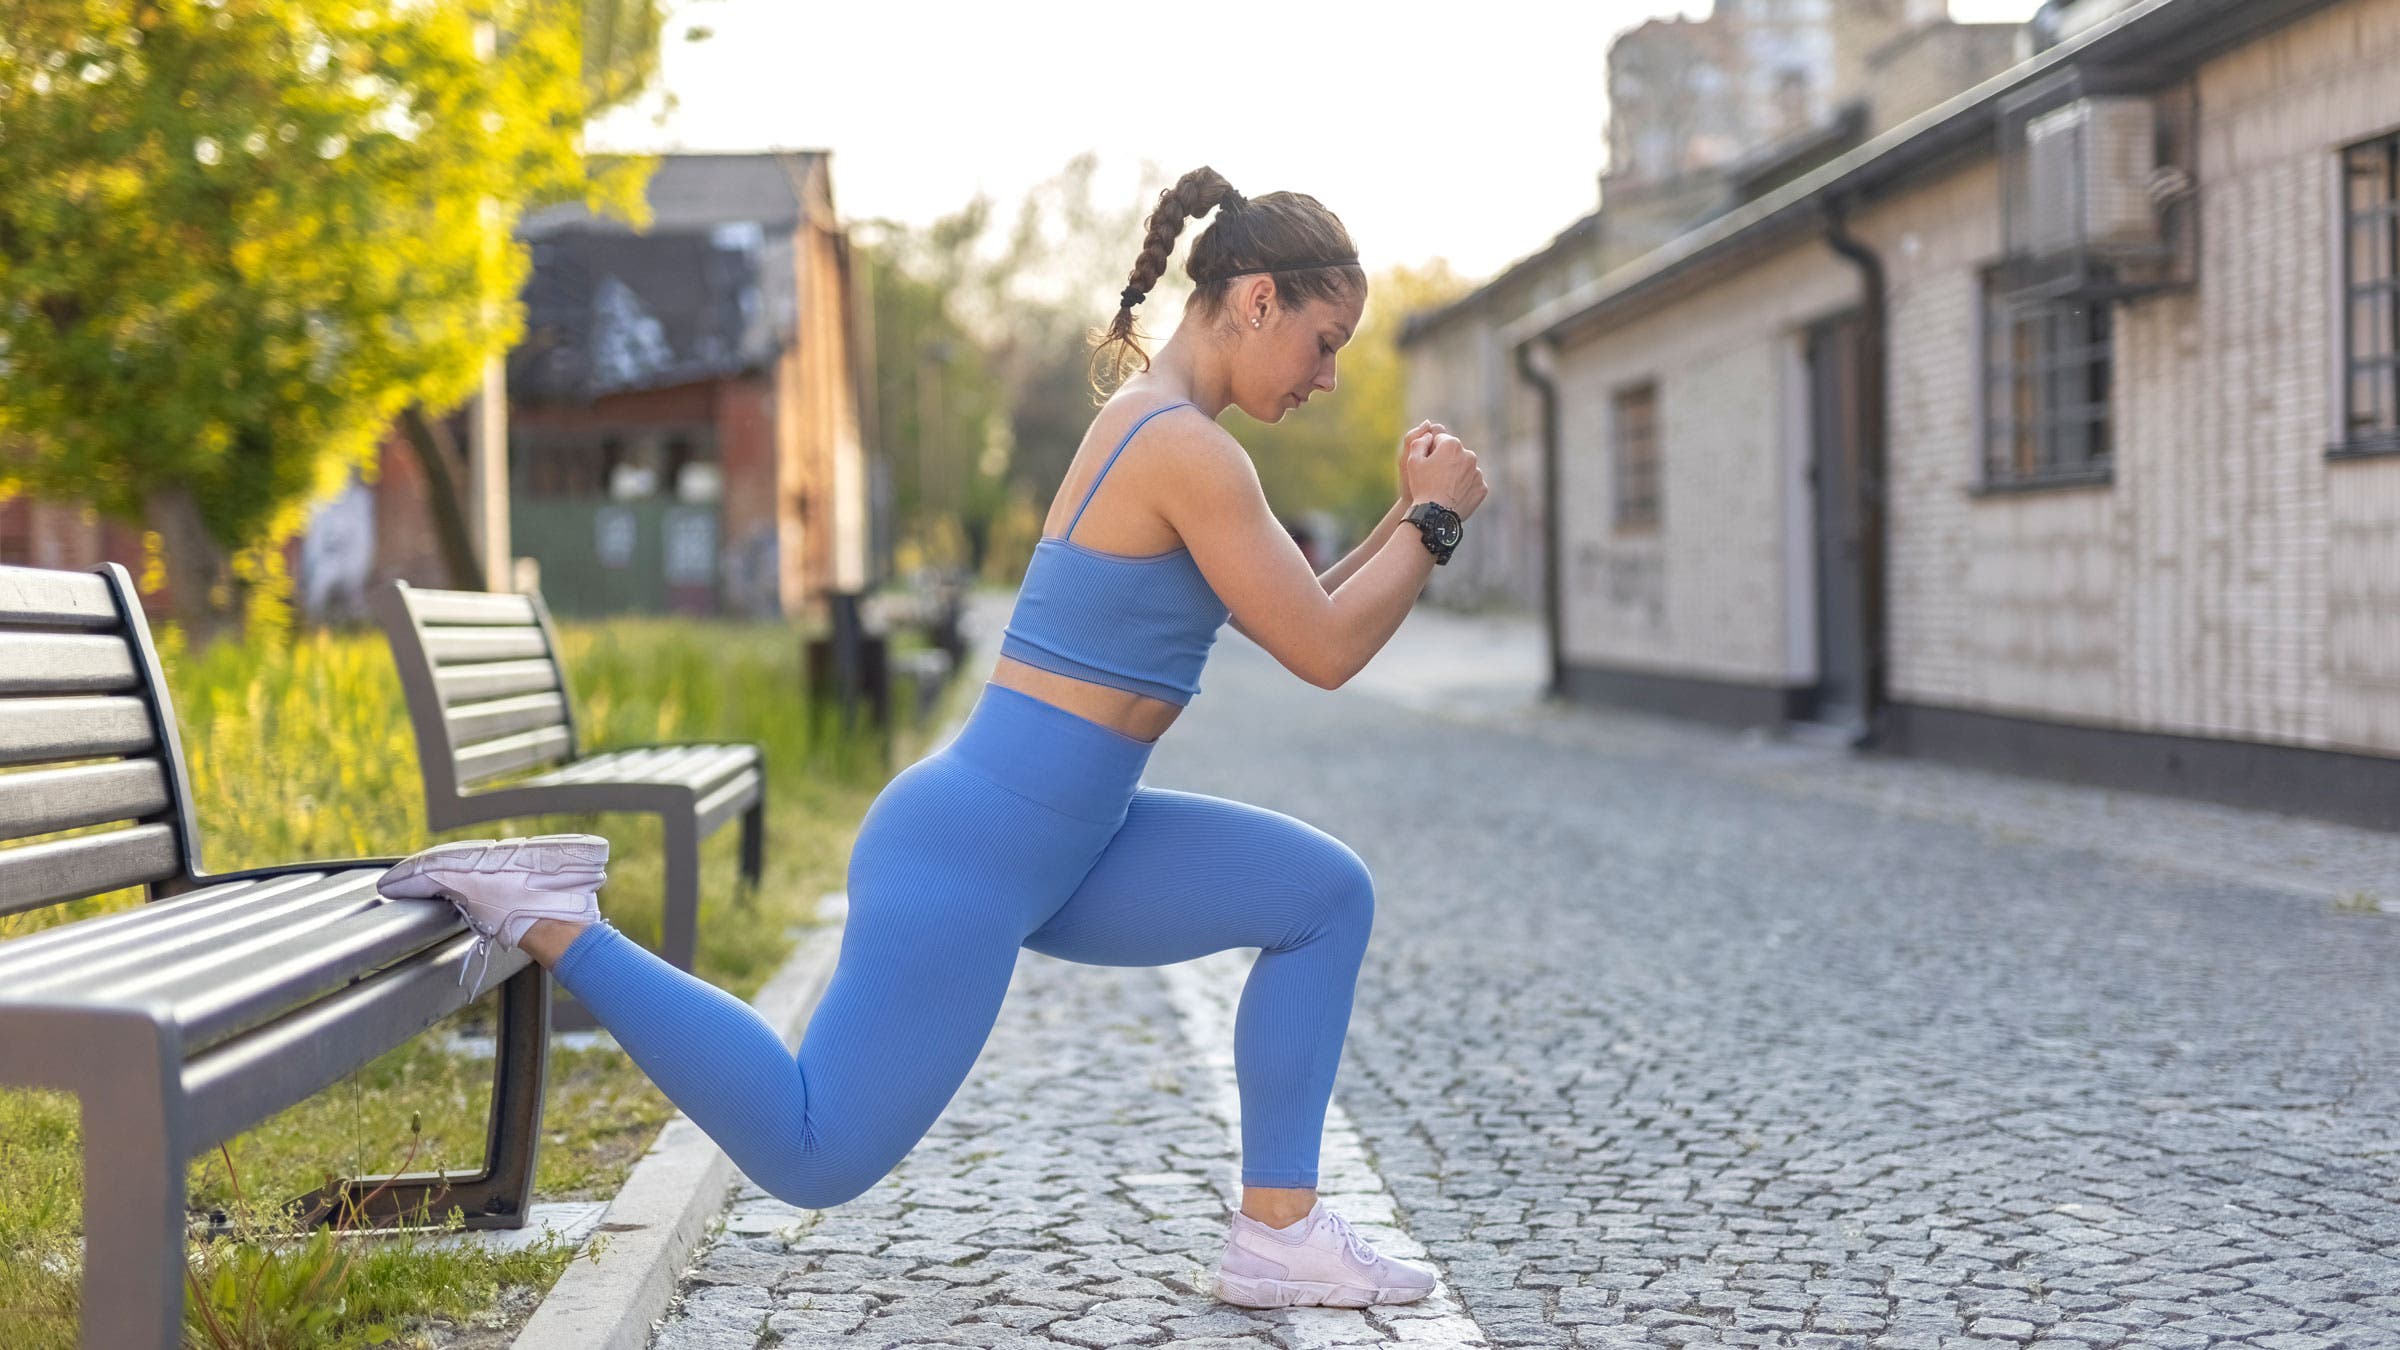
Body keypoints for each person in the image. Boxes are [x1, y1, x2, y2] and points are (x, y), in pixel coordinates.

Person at [380, 164, 1489, 1311]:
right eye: (1323, 340)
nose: (1330, 374)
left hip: (1065, 847)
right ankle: (562, 922)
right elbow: (1324, 651)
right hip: (974, 856)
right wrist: (1439, 523)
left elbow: (1302, 610)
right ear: (1256, 300)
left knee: (1322, 896)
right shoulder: (1183, 449)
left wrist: (1410, 524)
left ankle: (1279, 1235)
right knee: (815, 1151)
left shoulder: (1172, 435)